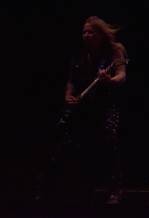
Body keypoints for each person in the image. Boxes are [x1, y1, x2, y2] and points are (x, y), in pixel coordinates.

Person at [40, 16, 128, 205]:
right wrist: (68, 95)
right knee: (77, 144)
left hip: (107, 105)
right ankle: (81, 187)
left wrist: (110, 80)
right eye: (84, 32)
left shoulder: (115, 50)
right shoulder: (80, 54)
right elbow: (71, 80)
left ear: (101, 34)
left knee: (109, 140)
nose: (86, 35)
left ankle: (116, 189)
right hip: (85, 106)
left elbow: (121, 75)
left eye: (91, 32)